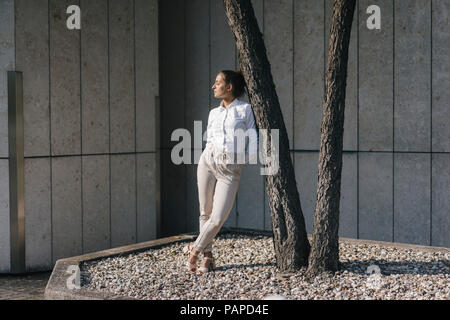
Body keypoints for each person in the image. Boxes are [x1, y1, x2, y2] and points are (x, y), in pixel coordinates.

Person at [183, 69, 258, 275]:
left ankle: (194, 250)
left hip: (229, 169)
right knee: (204, 213)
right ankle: (207, 258)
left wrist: (240, 161)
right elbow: (210, 139)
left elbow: (253, 140)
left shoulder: (245, 109)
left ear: (229, 87)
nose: (213, 86)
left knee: (217, 218)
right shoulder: (213, 113)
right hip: (208, 161)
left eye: (217, 82)